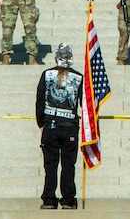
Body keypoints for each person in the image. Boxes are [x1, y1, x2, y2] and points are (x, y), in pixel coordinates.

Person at [36, 43, 83, 210]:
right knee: (68, 164)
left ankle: (49, 199)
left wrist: (41, 122)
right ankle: (68, 199)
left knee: (50, 165)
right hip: (70, 126)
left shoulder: (46, 74)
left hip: (51, 126)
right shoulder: (79, 77)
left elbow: (40, 100)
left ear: (56, 57)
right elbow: (83, 103)